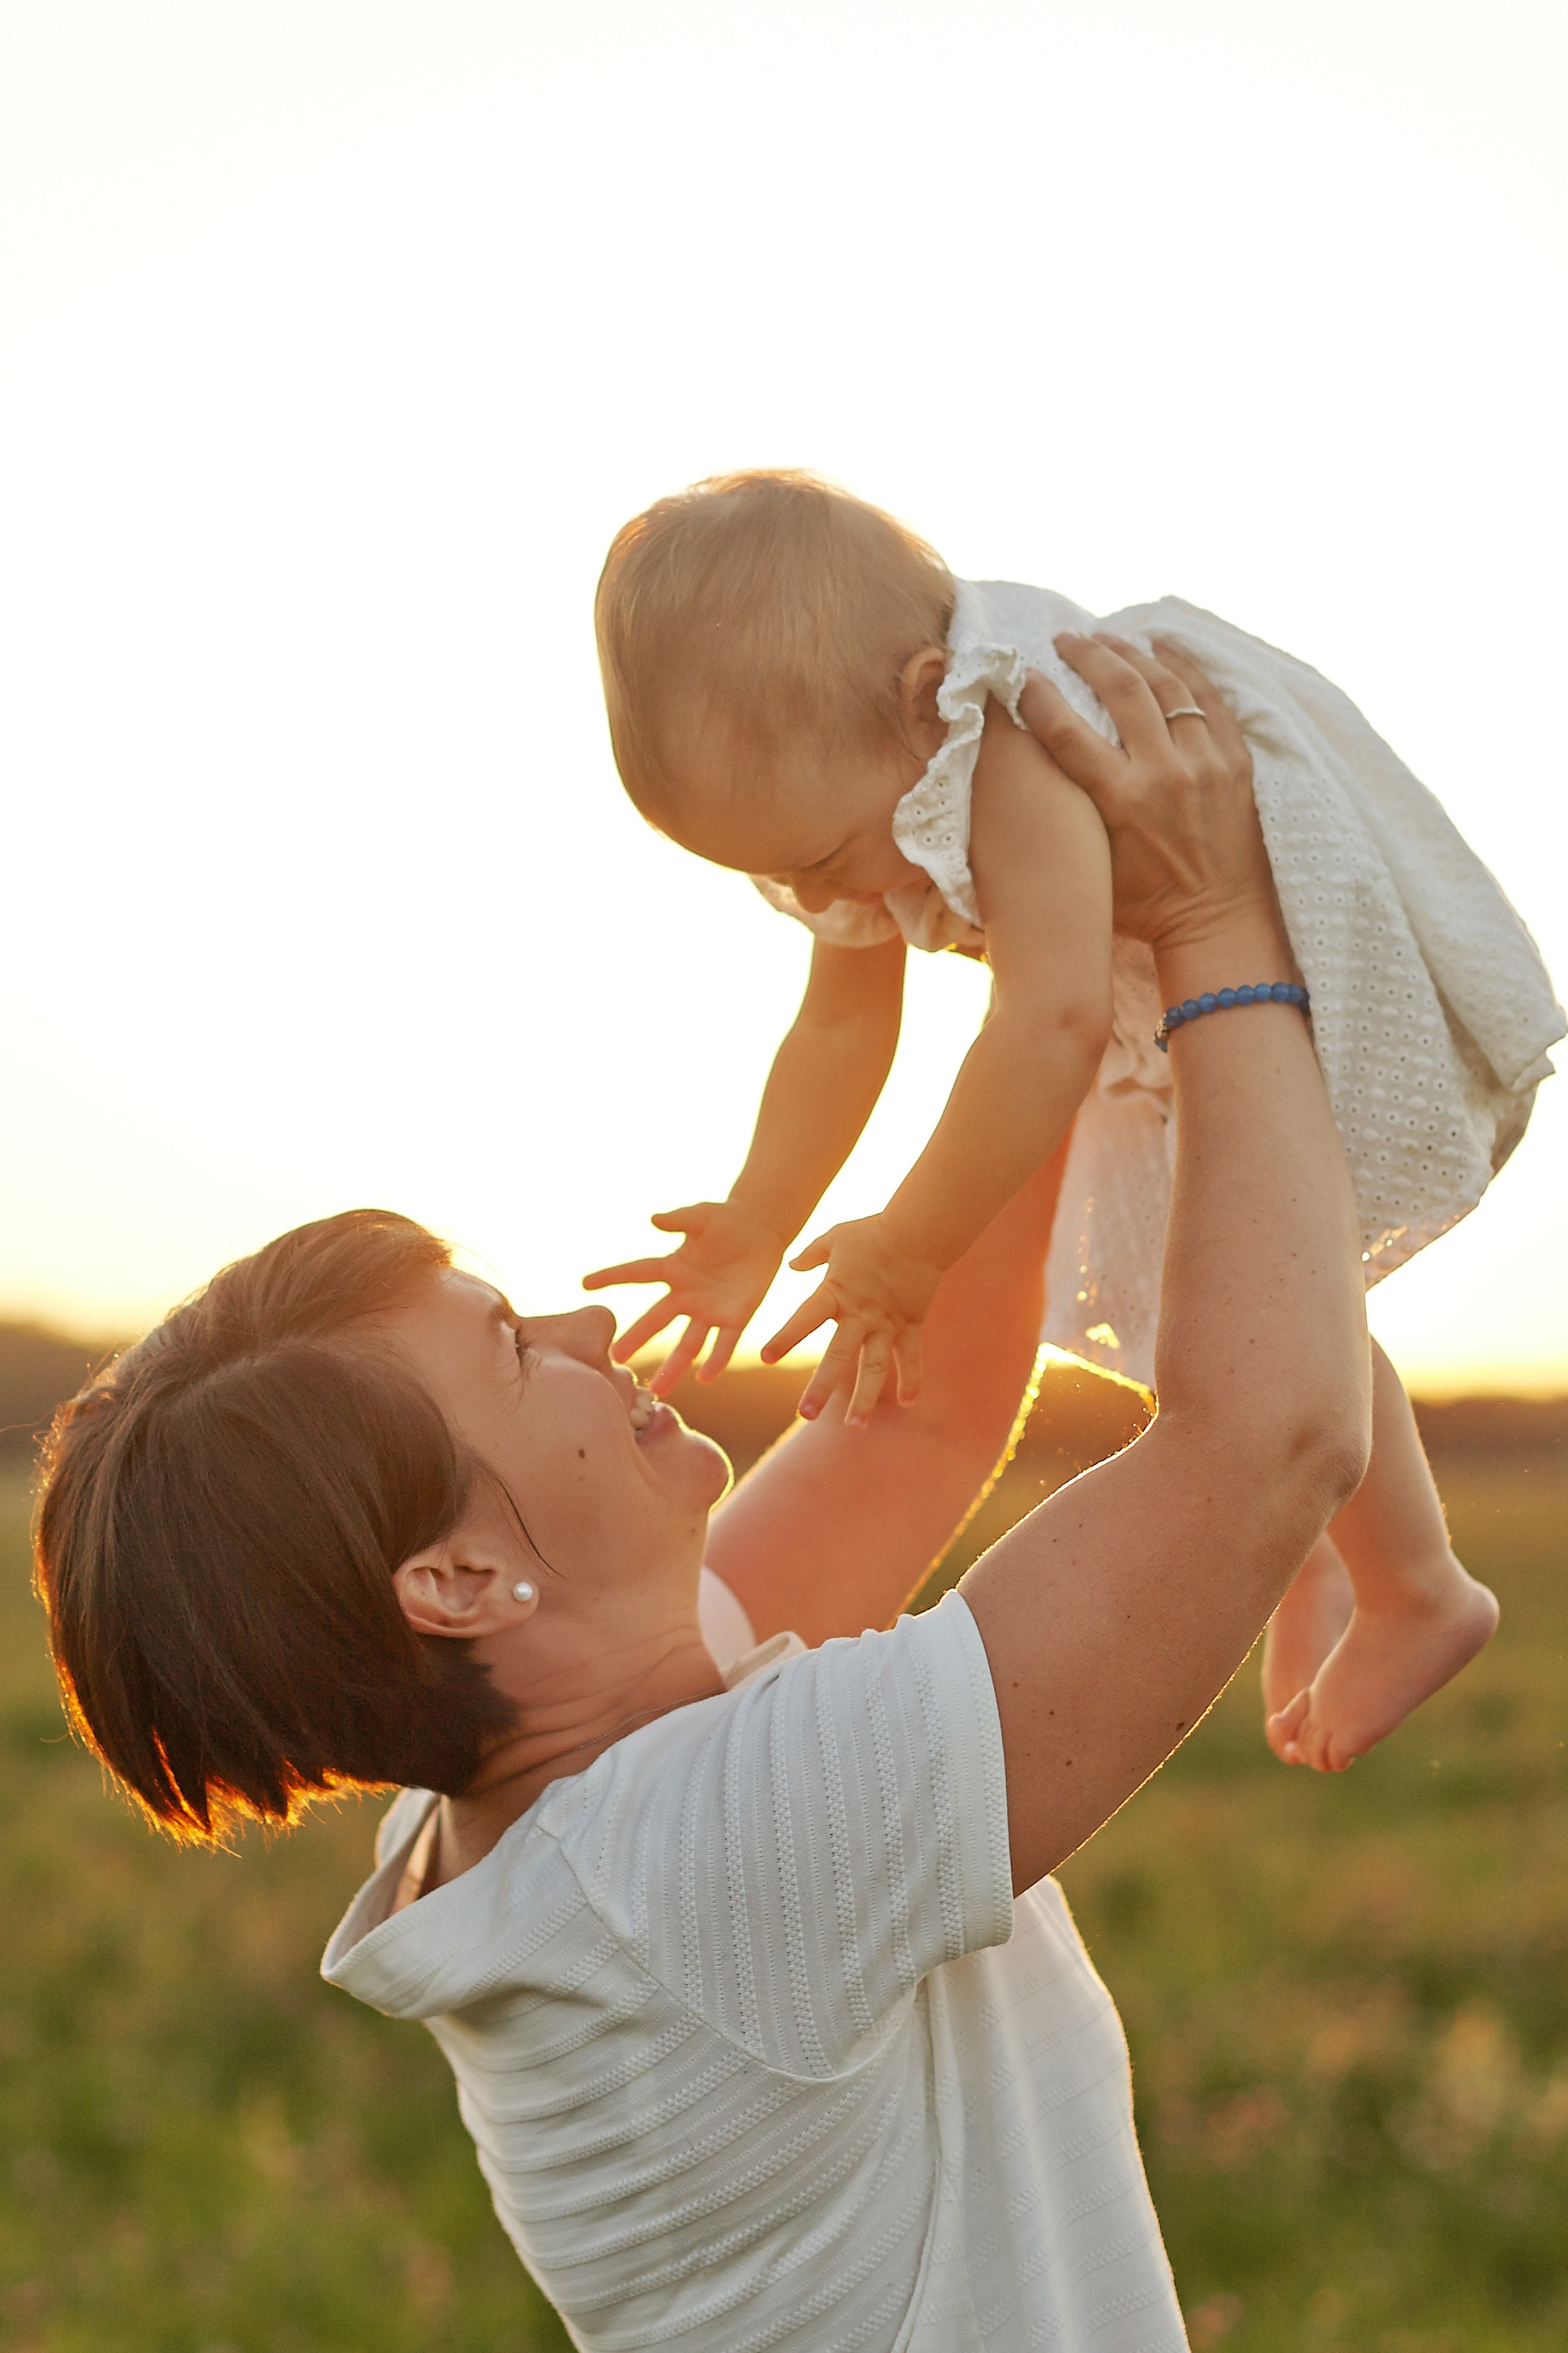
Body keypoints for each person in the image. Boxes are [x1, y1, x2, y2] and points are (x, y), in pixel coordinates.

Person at [36, 640, 1373, 2352]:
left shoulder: (568, 1797)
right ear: (453, 1583)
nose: (593, 1327)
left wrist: (1058, 947)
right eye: (518, 1351)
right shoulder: (698, 1873)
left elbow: (920, 1418)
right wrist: (1208, 930)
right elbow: (1261, 1445)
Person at [590, 471, 1562, 1770]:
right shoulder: (856, 793)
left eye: (815, 860)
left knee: (1254, 1288)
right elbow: (837, 1026)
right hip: (1153, 993)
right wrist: (757, 1222)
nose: (811, 895)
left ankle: (1413, 1588)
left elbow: (1042, 1022)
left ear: (913, 697)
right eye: (762, 873)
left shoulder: (1005, 745)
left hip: (1247, 952)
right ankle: (1322, 1561)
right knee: (1217, 1303)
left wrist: (915, 1244)